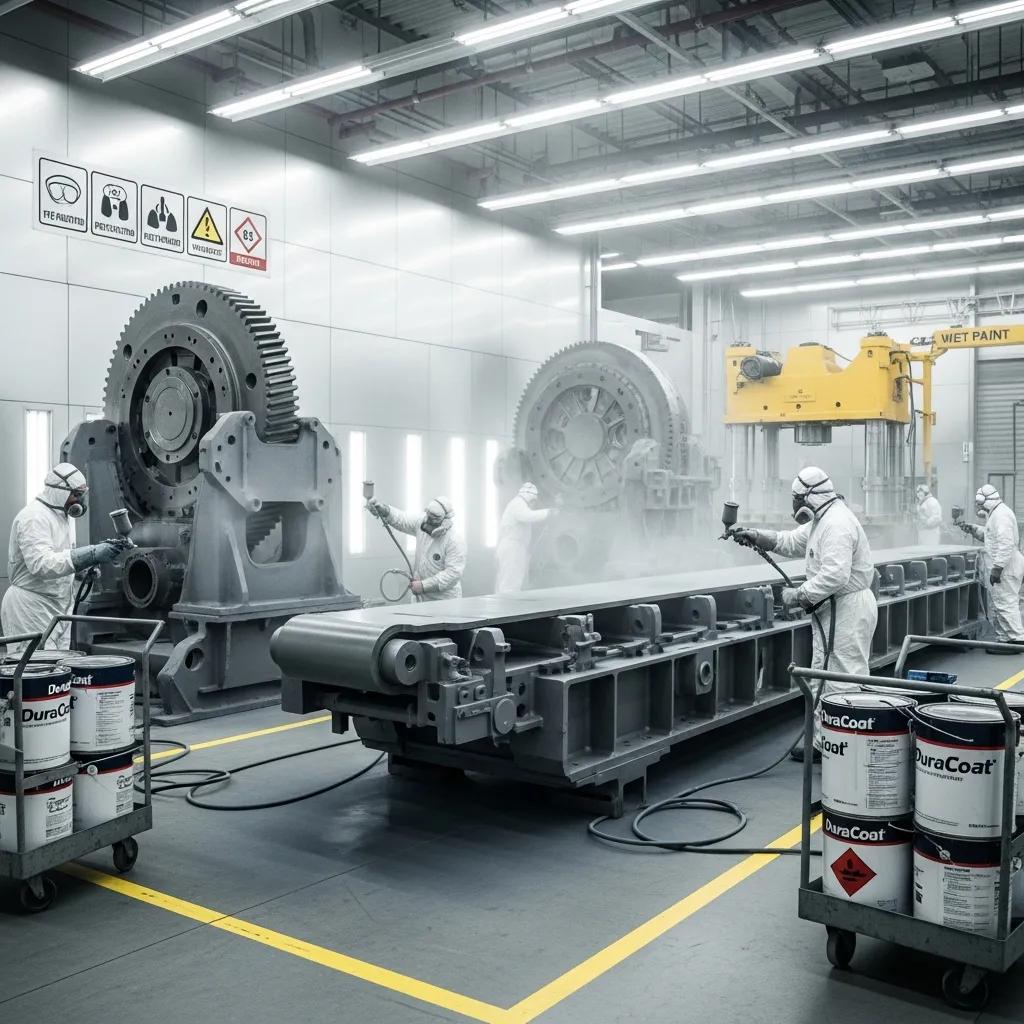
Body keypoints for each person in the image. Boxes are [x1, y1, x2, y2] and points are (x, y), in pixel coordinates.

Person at [734, 467, 878, 760]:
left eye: (796, 498)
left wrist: (798, 595)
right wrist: (757, 536)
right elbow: (791, 541)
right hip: (834, 608)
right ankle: (825, 744)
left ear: (810, 496)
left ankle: (845, 751)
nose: (794, 505)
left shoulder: (836, 524)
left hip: (845, 609)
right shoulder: (821, 520)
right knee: (823, 676)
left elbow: (835, 575)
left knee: (842, 678)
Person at [2, 464, 129, 651]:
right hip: (30, 609)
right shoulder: (34, 517)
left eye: (82, 494)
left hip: (55, 607)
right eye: (76, 495)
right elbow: (41, 564)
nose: (80, 500)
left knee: (57, 669)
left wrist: (81, 568)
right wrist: (91, 553)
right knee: (36, 671)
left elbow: (60, 557)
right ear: (59, 492)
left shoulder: (60, 517)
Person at [366, 495, 467, 602]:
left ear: (445, 520)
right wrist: (384, 510)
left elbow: (453, 574)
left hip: (445, 600)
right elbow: (402, 519)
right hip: (421, 598)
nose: (428, 521)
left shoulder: (454, 541)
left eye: (434, 519)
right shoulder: (421, 522)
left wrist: (423, 586)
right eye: (428, 515)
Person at [963, 485, 1024, 649]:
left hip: (1007, 567)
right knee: (999, 603)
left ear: (986, 501)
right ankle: (1005, 639)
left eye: (979, 504)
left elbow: (1005, 544)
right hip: (1004, 566)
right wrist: (974, 530)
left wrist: (997, 568)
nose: (979, 507)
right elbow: (993, 538)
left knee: (1006, 603)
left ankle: (1016, 639)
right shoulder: (996, 514)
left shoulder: (1001, 515)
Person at [495, 482, 553, 593]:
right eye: (533, 500)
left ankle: (510, 605)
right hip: (512, 547)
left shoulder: (519, 504)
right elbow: (528, 516)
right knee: (510, 580)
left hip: (515, 547)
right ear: (529, 496)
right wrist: (548, 512)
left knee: (514, 579)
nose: (533, 503)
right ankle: (508, 606)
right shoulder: (518, 504)